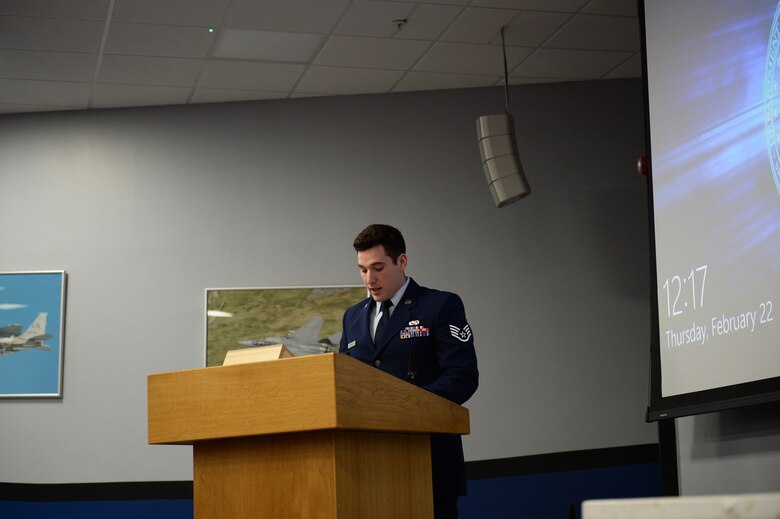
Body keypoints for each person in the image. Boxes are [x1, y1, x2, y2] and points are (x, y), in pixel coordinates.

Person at [339, 223, 479, 519]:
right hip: (368, 466)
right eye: (362, 270)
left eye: (378, 267)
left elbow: (462, 376)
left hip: (428, 461)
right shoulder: (352, 317)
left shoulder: (440, 305)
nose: (369, 279)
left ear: (401, 261)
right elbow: (344, 384)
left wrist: (402, 410)